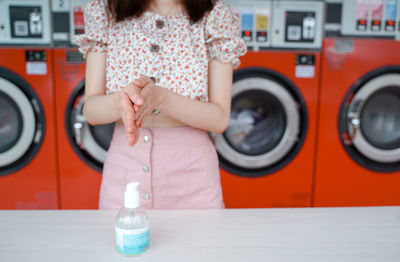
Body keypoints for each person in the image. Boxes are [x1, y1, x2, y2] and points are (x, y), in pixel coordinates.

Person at [75, 0, 247, 210]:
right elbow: (91, 110)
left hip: (194, 182)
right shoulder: (106, 11)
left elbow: (219, 118)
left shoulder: (214, 14)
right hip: (125, 178)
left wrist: (161, 98)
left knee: (201, 243)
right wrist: (121, 100)